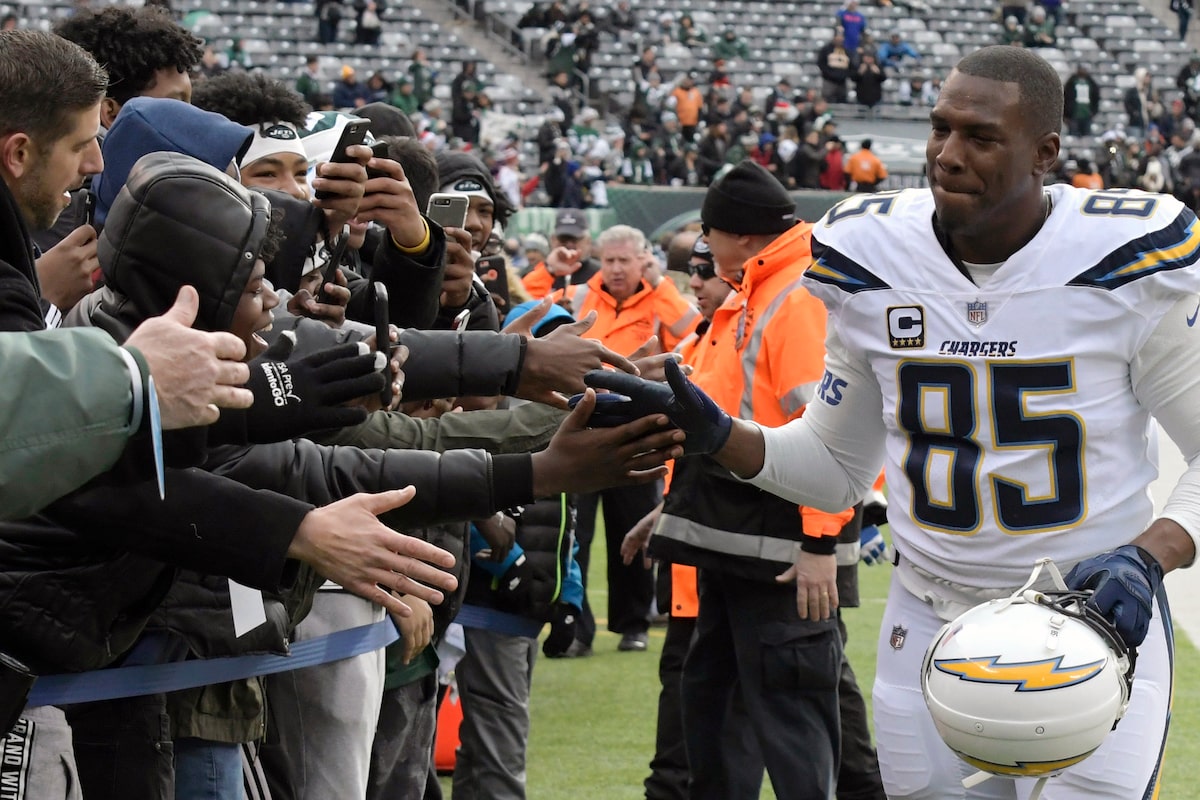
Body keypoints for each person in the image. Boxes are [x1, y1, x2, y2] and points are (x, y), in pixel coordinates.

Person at [588, 45, 1195, 800]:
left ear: (1045, 154)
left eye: (979, 136)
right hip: (929, 610)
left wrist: (1149, 555)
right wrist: (720, 436)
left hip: (1090, 617)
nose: (946, 154)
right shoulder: (870, 252)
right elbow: (834, 467)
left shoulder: (1127, 260)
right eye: (940, 129)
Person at [568, 225, 699, 656]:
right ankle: (575, 625)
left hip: (640, 432)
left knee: (634, 527)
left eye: (626, 260)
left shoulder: (661, 299)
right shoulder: (580, 296)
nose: (617, 268)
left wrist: (660, 286)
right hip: (584, 427)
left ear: (644, 261)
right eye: (610, 260)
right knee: (576, 533)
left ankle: (634, 622)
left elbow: (694, 334)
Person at [1063, 64, 1100, 137]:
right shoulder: (1071, 83)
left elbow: (1096, 97)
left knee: (1087, 136)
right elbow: (1066, 97)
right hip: (1073, 115)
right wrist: (1066, 114)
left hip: (1087, 115)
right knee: (1073, 135)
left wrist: (1093, 111)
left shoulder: (1091, 83)